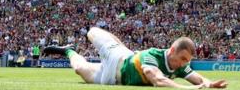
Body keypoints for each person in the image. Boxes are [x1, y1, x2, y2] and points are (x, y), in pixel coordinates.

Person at [43, 27, 227, 88]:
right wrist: (183, 88)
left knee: (79, 69)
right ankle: (121, 46)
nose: (185, 63)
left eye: (187, 60)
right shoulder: (153, 55)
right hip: (116, 56)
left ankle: (68, 50)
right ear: (172, 50)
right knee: (92, 32)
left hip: (112, 80)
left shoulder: (180, 65)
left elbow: (196, 78)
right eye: (183, 58)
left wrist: (209, 84)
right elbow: (157, 79)